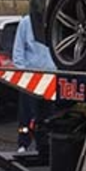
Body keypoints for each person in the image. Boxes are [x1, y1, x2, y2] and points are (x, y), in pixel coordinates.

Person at [12, 15, 55, 153]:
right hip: (31, 77)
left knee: (47, 115)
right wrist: (23, 74)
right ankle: (23, 143)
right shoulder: (26, 23)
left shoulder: (54, 21)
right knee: (27, 114)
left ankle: (43, 144)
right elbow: (18, 50)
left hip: (51, 77)